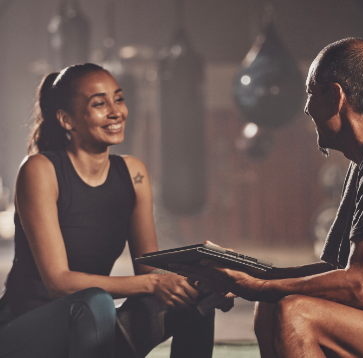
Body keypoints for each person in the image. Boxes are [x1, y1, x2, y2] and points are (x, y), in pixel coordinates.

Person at [173, 37, 363, 358]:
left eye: (311, 92)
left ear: (336, 96)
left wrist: (256, 286)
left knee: (297, 313)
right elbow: (336, 271)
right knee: (272, 305)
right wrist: (251, 276)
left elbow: (359, 287)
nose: (305, 107)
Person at [0, 63, 220, 358]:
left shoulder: (133, 173)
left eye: (118, 99)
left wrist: (198, 276)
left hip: (91, 329)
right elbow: (58, 284)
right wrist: (154, 282)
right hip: (26, 335)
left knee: (194, 296)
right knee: (95, 302)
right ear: (67, 119)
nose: (116, 112)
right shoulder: (40, 170)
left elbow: (148, 269)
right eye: (99, 104)